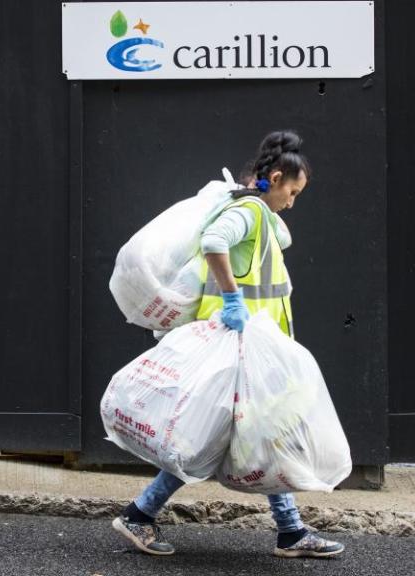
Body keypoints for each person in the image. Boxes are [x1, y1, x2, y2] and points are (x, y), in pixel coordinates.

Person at [111, 131, 345, 559]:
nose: (293, 201)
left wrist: (268, 211)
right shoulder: (249, 211)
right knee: (236, 435)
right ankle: (141, 515)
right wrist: (234, 299)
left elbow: (274, 241)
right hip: (237, 343)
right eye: (291, 191)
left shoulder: (256, 212)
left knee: (243, 434)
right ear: (275, 177)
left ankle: (287, 530)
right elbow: (215, 241)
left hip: (253, 345)